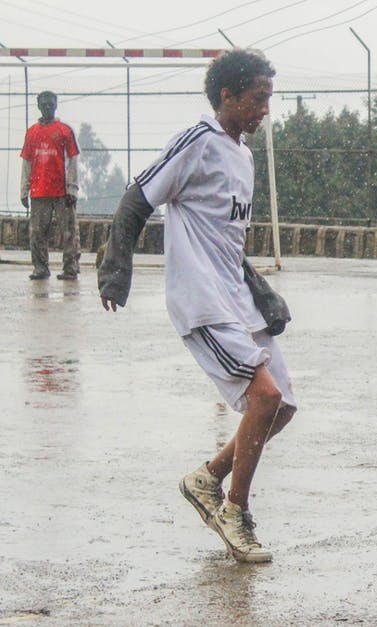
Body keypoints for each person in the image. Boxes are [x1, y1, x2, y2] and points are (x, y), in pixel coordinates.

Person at [98, 49, 294, 564]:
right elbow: (138, 196)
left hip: (236, 297)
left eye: (268, 99)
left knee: (283, 408)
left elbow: (226, 237)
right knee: (266, 398)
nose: (264, 110)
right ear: (227, 95)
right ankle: (235, 510)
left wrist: (259, 288)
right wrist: (116, 267)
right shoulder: (197, 141)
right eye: (257, 99)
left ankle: (206, 479)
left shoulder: (243, 155)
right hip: (202, 301)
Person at [20, 90, 80, 280]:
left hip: (62, 191)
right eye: (44, 104)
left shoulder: (64, 130)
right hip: (38, 191)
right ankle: (40, 267)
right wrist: (24, 190)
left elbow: (73, 160)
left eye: (50, 104)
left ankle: (70, 268)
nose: (47, 107)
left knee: (69, 231)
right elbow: (27, 162)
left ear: (55, 106)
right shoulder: (32, 133)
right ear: (39, 106)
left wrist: (72, 188)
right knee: (37, 233)